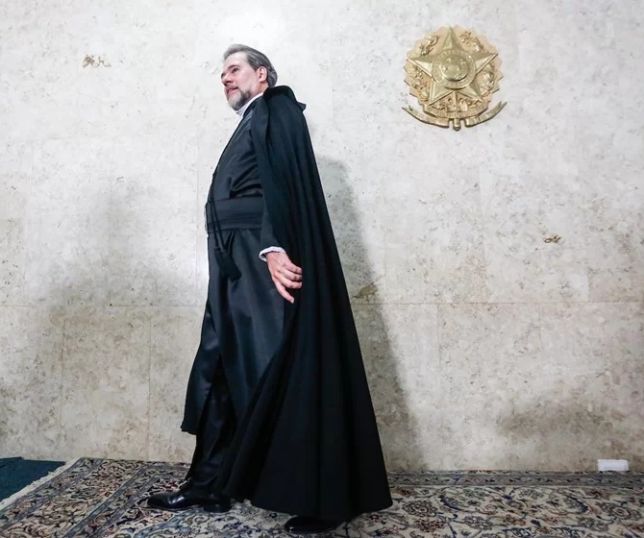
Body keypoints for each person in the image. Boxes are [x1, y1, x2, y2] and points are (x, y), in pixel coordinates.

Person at [148, 44, 392, 534]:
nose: (225, 78)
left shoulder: (277, 109)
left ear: (262, 75)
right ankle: (210, 484)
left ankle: (324, 498)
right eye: (221, 73)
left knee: (277, 368)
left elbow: (281, 186)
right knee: (218, 366)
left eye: (234, 69)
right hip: (231, 262)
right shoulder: (252, 120)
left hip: (258, 259)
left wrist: (274, 247)